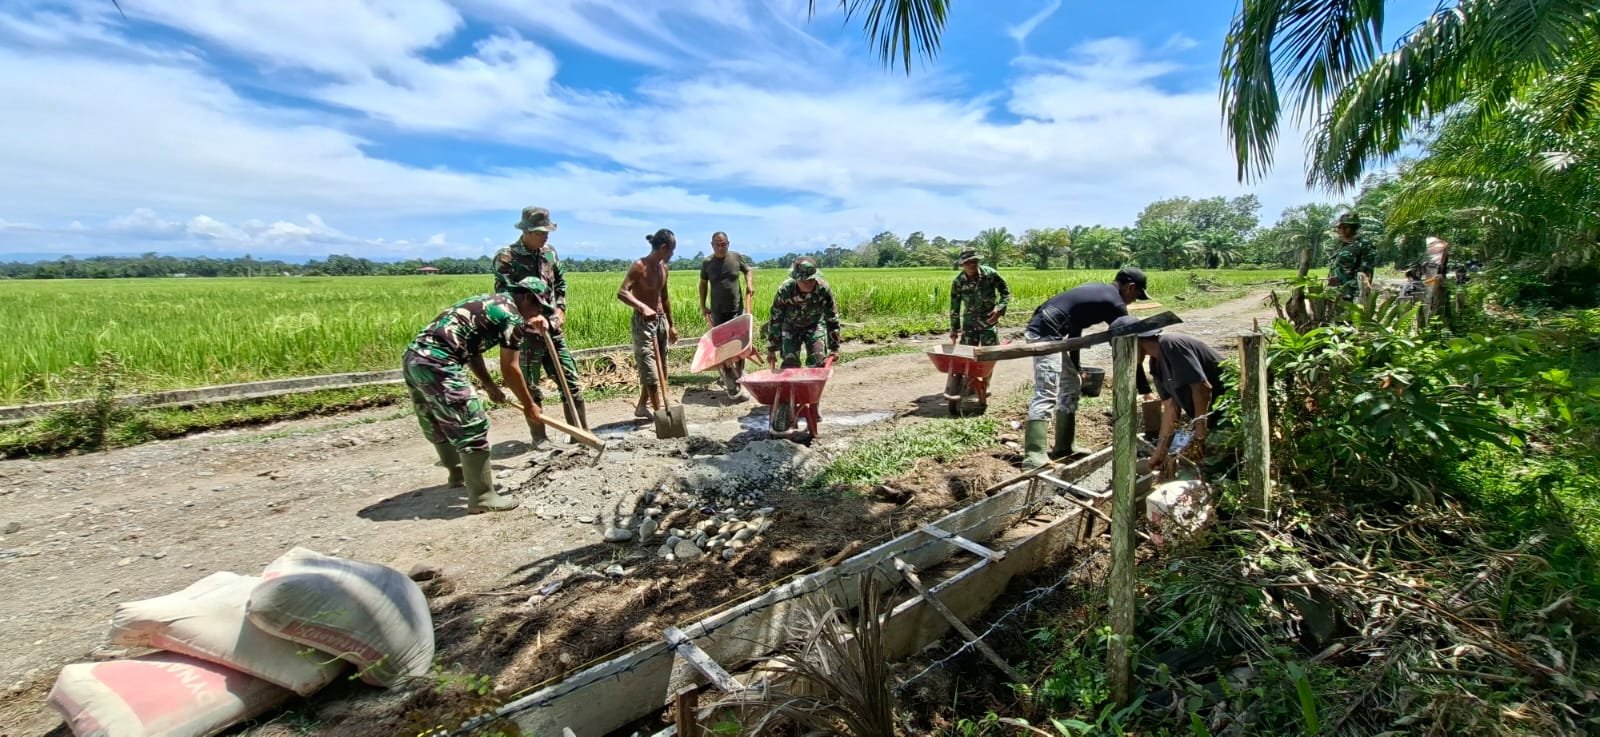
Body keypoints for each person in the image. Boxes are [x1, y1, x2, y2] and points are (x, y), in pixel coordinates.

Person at [403, 276, 554, 514]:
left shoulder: (490, 302)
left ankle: (458, 475)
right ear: (527, 297)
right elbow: (510, 368)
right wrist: (529, 404)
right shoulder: (512, 316)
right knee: (472, 423)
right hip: (439, 362)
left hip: (415, 358)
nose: (537, 313)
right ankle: (483, 496)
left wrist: (489, 386)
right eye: (538, 307)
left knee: (435, 419)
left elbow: (472, 350)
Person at [1019, 268, 1152, 469]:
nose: (1133, 301)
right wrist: (1145, 390)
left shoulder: (1099, 291)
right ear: (1131, 287)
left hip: (1051, 331)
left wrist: (1076, 366)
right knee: (1046, 391)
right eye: (1136, 296)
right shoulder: (1114, 302)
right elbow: (1129, 346)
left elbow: (1075, 331)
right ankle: (1033, 457)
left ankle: (1064, 446)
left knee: (1072, 384)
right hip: (1044, 334)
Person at [493, 206, 586, 446]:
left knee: (571, 382)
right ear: (525, 231)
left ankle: (581, 435)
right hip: (524, 334)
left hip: (552, 328)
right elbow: (505, 297)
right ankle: (539, 438)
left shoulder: (549, 253)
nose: (544, 237)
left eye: (547, 232)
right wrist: (528, 319)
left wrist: (560, 310)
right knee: (530, 387)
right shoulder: (506, 257)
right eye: (539, 233)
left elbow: (561, 284)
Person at [1111, 316, 1226, 472]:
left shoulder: (1171, 344)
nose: (1123, 356)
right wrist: (1159, 453)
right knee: (1188, 461)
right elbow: (1170, 408)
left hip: (1229, 412)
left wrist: (1199, 434)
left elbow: (1202, 389)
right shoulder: (1155, 364)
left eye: (1122, 349)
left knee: (1209, 465)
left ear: (1134, 342)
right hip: (1211, 418)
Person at [618, 229, 680, 418]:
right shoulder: (639, 266)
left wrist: (671, 324)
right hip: (644, 323)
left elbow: (665, 297)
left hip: (661, 322)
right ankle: (660, 413)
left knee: (661, 368)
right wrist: (642, 307)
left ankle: (641, 407)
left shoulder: (664, 268)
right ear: (663, 248)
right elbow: (622, 292)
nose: (672, 255)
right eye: (672, 250)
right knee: (650, 370)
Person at [698, 231, 756, 398]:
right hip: (718, 311)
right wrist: (703, 305)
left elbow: (748, 271)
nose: (721, 248)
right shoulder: (707, 263)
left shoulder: (736, 257)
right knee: (722, 345)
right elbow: (703, 285)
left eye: (723, 244)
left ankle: (739, 372)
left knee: (740, 343)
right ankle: (729, 378)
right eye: (717, 245)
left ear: (728, 244)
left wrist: (749, 284)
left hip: (736, 308)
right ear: (712, 245)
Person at [766, 257, 841, 369]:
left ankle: (814, 379)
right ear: (796, 279)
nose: (809, 284)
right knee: (790, 364)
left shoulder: (823, 289)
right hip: (791, 326)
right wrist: (772, 349)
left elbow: (832, 318)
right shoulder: (785, 290)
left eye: (812, 280)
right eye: (805, 281)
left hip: (814, 325)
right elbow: (776, 319)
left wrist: (834, 348)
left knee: (818, 361)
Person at [949, 249, 1011, 347]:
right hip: (969, 322)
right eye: (968, 262)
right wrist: (954, 328)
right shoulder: (958, 282)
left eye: (974, 261)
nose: (972, 264)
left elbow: (1005, 293)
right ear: (962, 264)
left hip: (988, 319)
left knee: (991, 351)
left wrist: (999, 310)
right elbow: (954, 307)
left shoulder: (990, 274)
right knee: (967, 351)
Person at [1327, 211, 1377, 300]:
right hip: (1335, 291)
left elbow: (1365, 274)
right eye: (1339, 227)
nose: (1340, 230)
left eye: (1344, 227)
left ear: (1352, 228)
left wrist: (1357, 293)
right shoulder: (1342, 245)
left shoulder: (1364, 244)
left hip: (1351, 293)